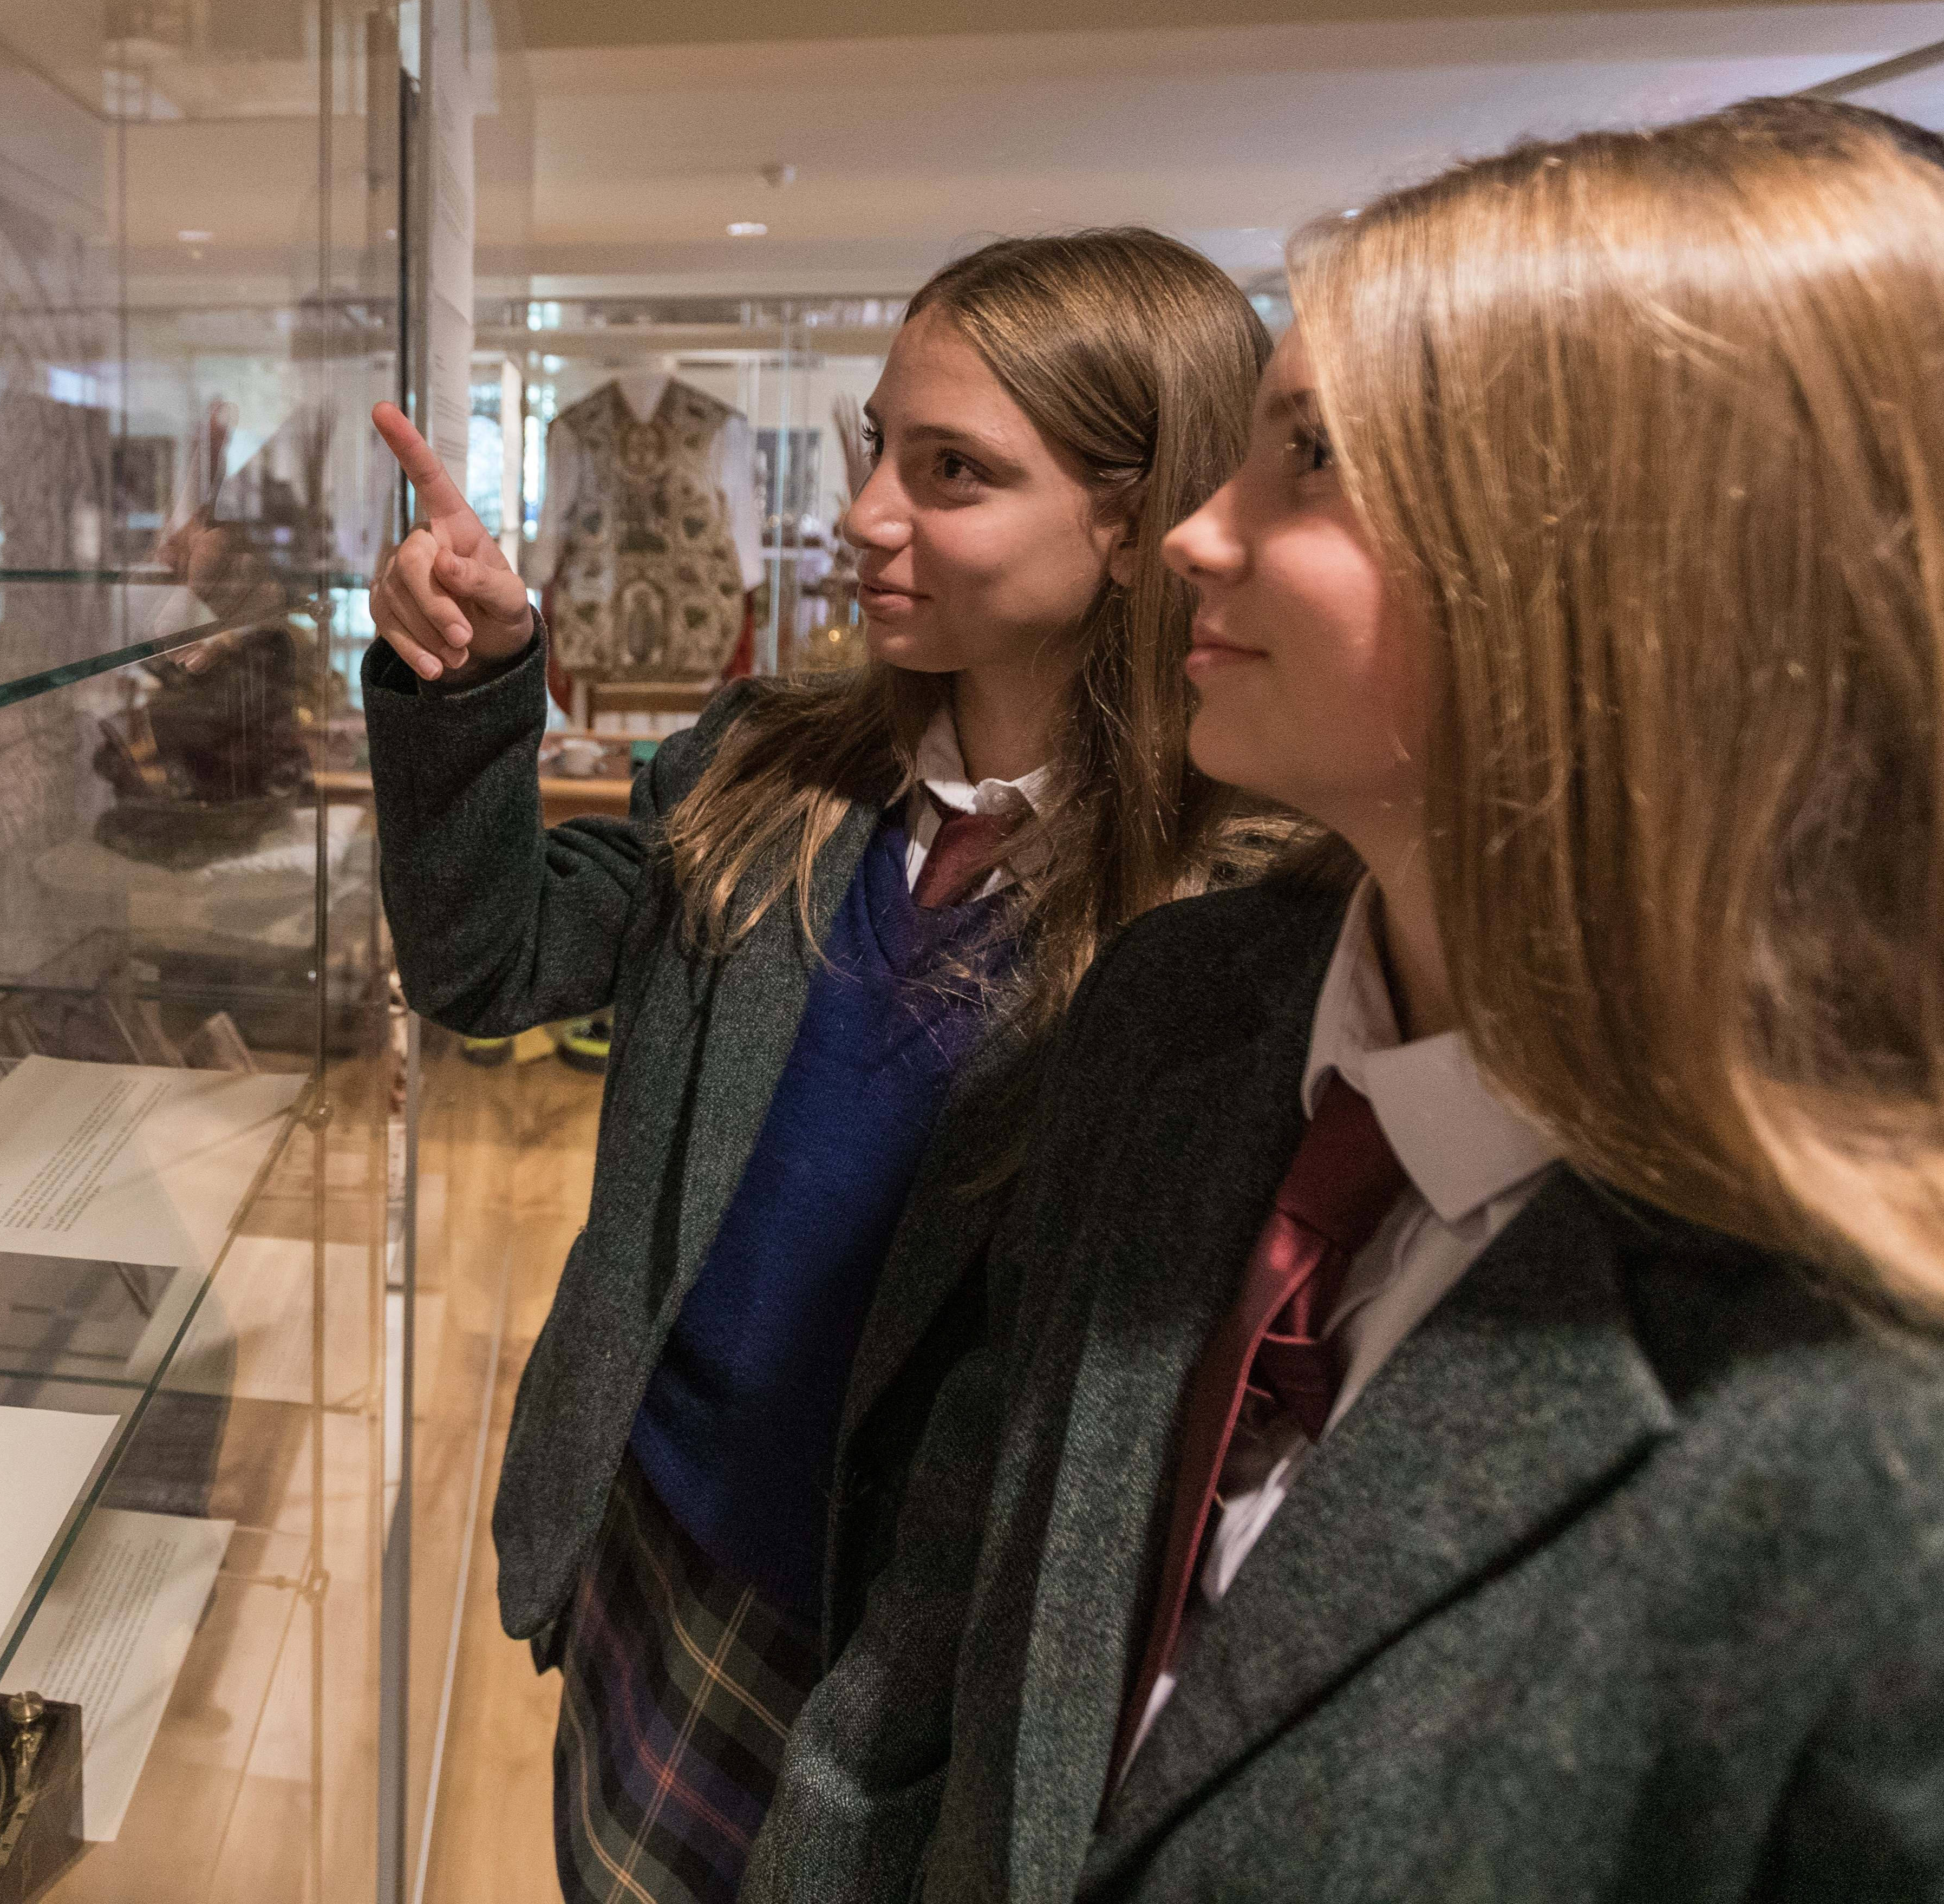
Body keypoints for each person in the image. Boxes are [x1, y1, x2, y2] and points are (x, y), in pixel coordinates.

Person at [805, 101, 1944, 1903]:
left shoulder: (1919, 1461)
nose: (1194, 538)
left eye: (1311, 460)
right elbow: (957, 1606)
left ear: (1630, 576)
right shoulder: (1173, 1015)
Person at [362, 231, 1274, 1903]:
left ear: (1135, 520)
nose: (863, 514)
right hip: (653, 1555)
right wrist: (479, 688)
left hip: (913, 1681)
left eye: (952, 472)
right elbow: (491, 960)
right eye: (878, 448)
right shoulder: (764, 771)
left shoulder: (1224, 920)